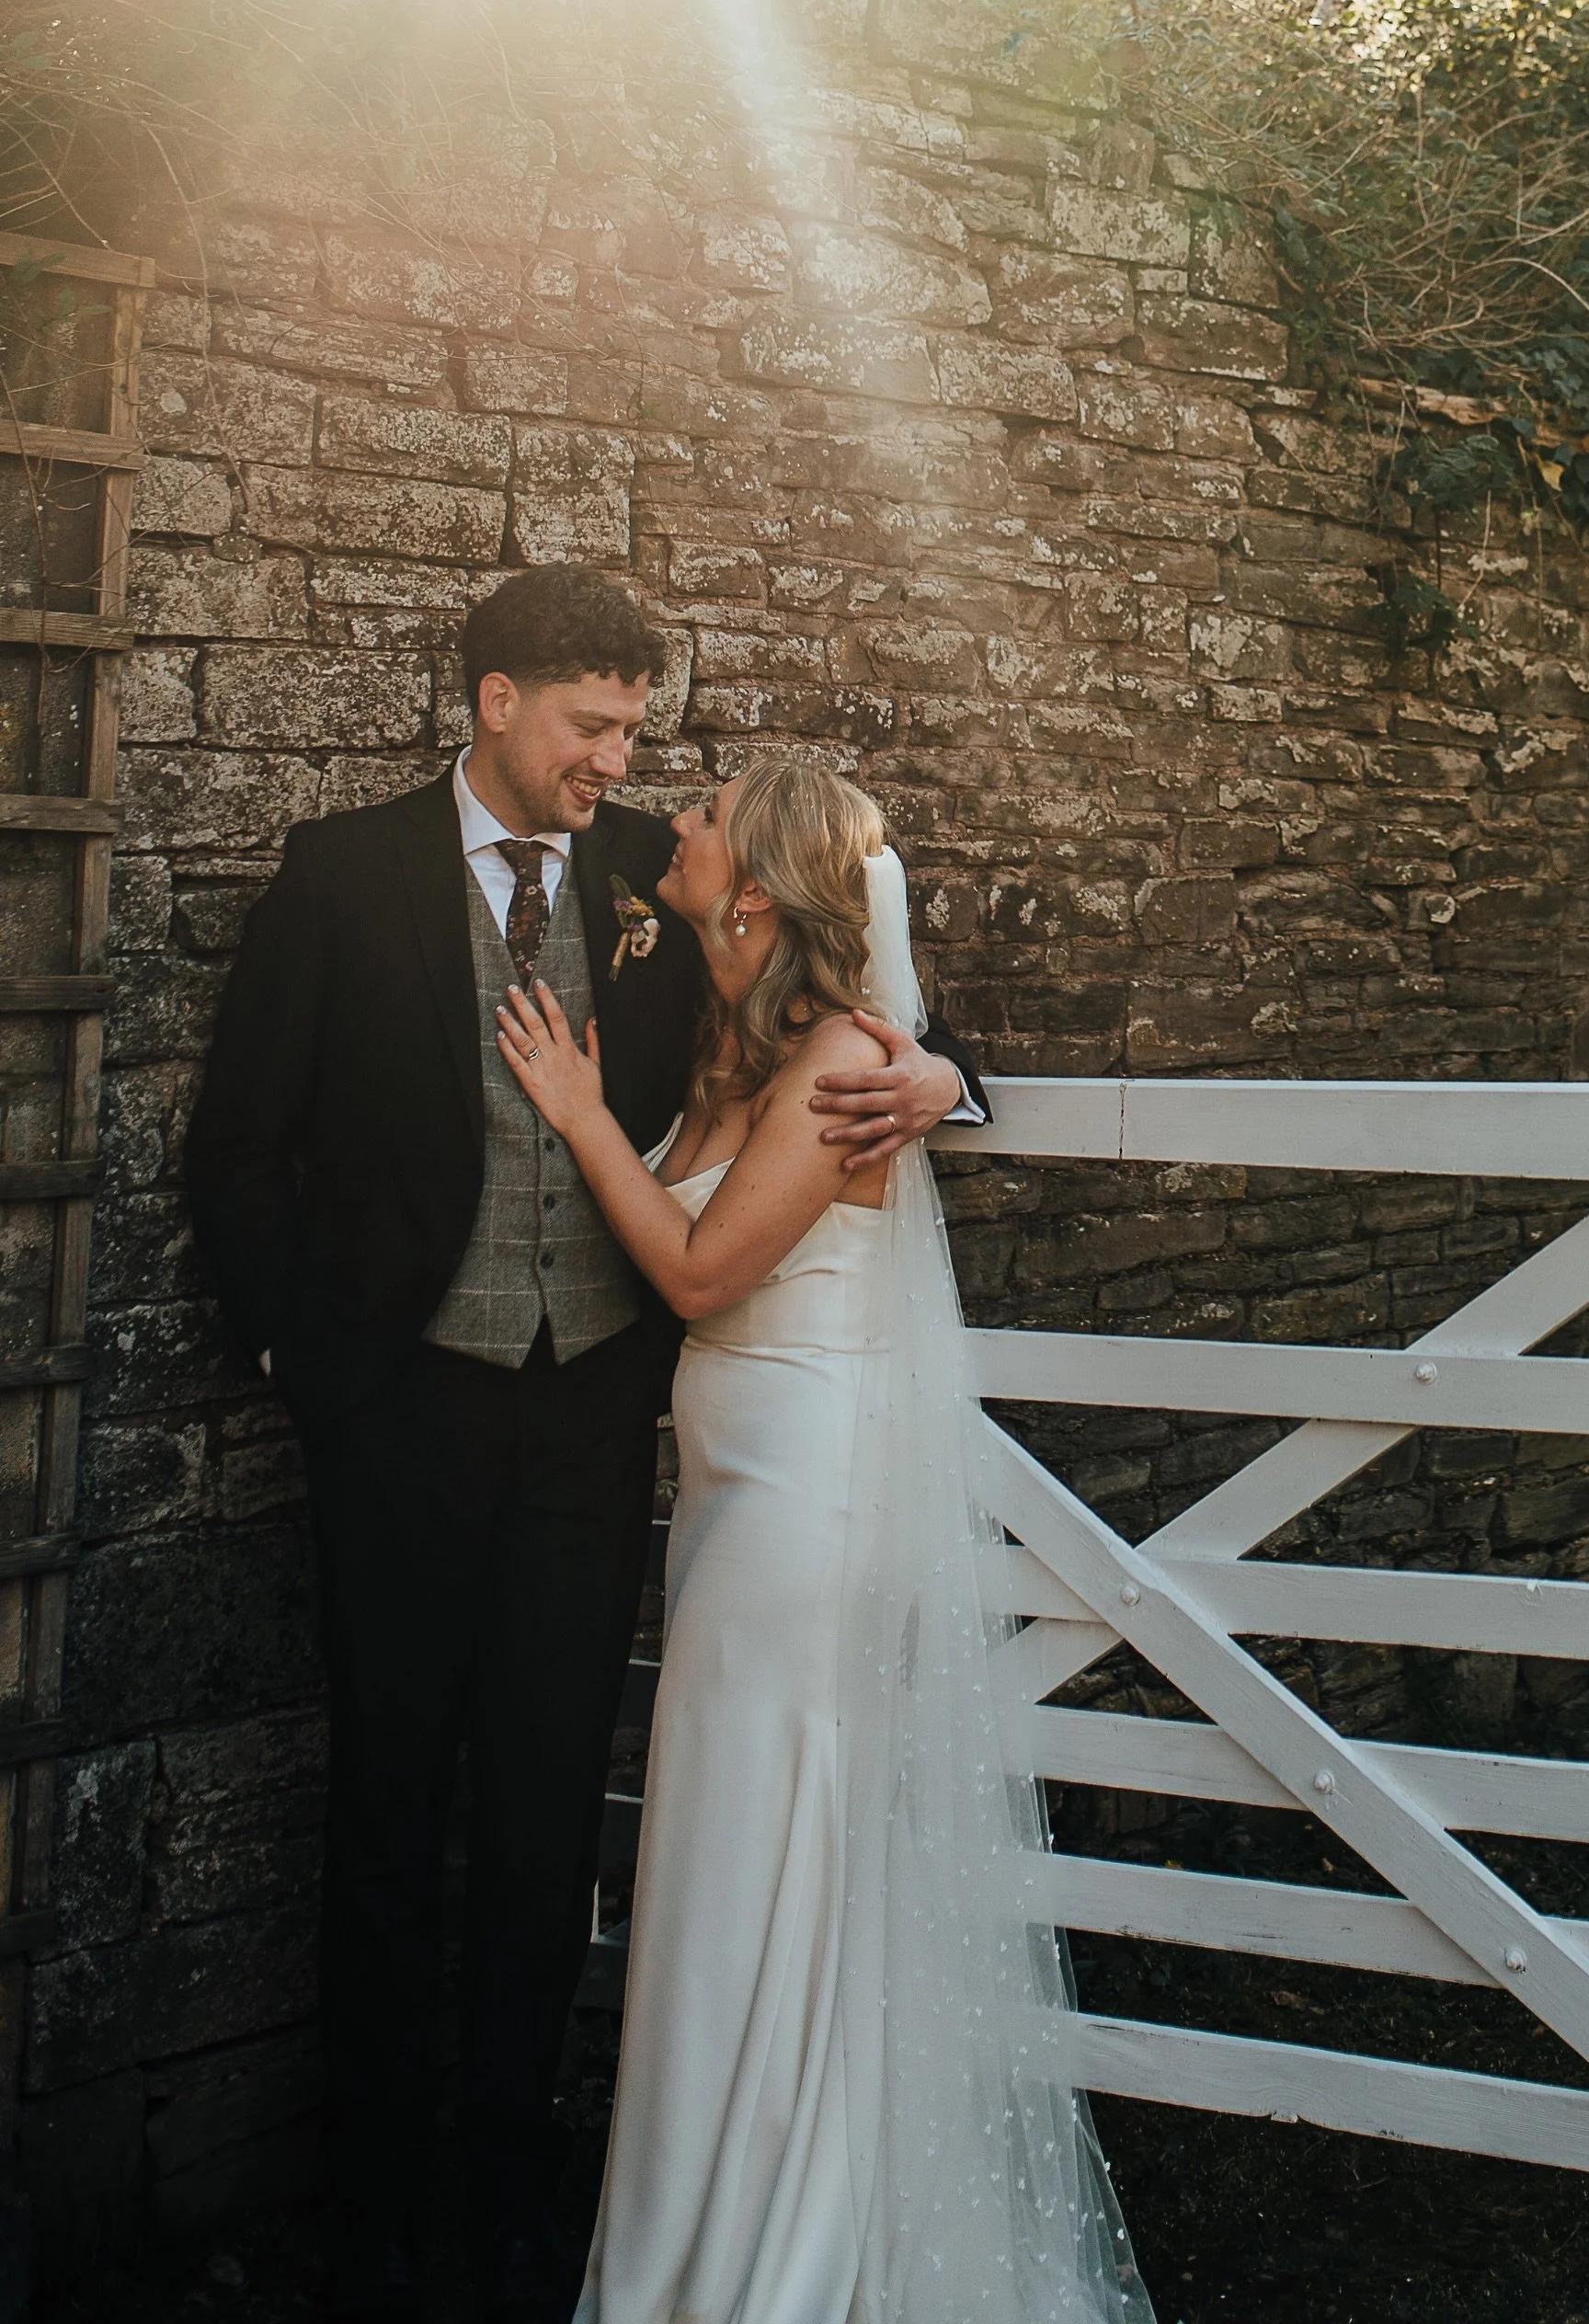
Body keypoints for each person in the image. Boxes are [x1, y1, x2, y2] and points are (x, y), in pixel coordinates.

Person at [184, 567, 988, 2324]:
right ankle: (379, 2212)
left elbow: (854, 982)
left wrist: (942, 1080)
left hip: (591, 1421)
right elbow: (239, 1144)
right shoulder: (343, 876)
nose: (617, 764)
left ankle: (515, 2196)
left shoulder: (650, 874)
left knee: (552, 1806)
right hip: (400, 1413)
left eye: (634, 733)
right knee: (389, 1802)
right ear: (493, 702)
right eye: (591, 727)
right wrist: (304, 1361)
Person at [494, 757, 1152, 2324]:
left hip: (802, 1510)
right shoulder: (720, 1031)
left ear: (765, 888)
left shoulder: (846, 1062)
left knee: (758, 1854)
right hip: (734, 1498)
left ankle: (760, 2264)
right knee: (738, 1866)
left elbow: (709, 1273)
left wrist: (589, 1119)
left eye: (711, 810)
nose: (673, 815)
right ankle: (743, 2222)